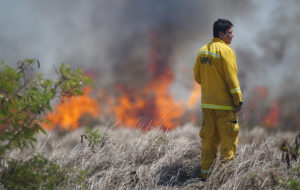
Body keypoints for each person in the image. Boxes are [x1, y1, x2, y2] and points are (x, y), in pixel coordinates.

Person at [193, 18, 243, 180]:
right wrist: (238, 100)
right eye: (229, 33)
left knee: (208, 141)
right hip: (225, 107)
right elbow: (231, 78)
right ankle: (225, 180)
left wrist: (210, 85)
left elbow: (197, 77)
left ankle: (205, 178)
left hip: (207, 106)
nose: (232, 35)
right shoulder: (226, 51)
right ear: (221, 34)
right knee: (228, 143)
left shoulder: (202, 51)